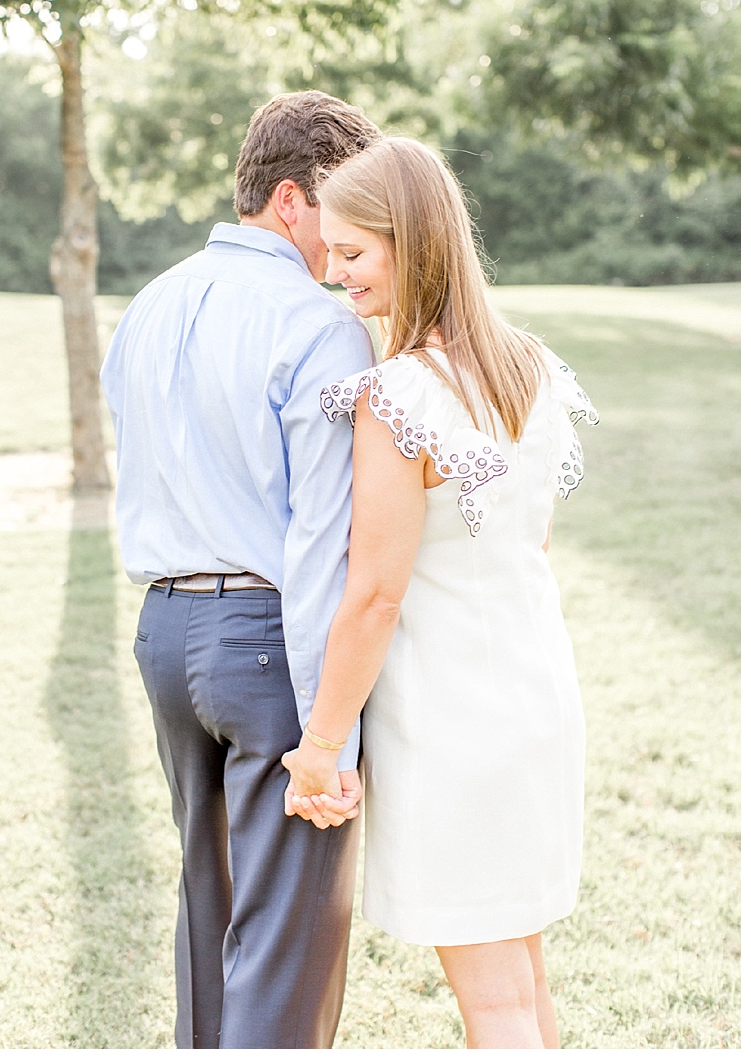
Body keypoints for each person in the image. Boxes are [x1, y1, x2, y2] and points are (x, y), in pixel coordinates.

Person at [281, 137, 597, 1048]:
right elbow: (530, 542)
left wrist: (320, 746)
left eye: (352, 252)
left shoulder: (398, 396)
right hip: (538, 699)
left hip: (454, 721)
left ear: (411, 242)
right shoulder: (530, 366)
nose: (333, 272)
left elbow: (375, 596)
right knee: (523, 981)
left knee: (495, 1005)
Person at [99, 90, 383, 1048]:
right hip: (269, 640)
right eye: (343, 206)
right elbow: (321, 542)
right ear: (293, 199)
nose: (349, 235)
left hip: (163, 634)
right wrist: (330, 739)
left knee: (208, 911)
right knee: (284, 945)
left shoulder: (149, 303)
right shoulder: (320, 325)